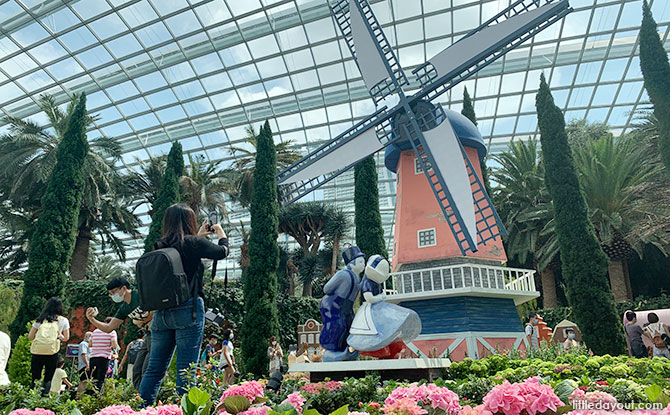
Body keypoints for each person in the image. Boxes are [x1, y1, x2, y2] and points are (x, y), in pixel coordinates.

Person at [139, 203, 229, 406]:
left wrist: (199, 236)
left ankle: (142, 409)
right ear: (190, 221)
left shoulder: (160, 245)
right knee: (186, 370)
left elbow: (182, 252)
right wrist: (220, 232)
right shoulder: (193, 243)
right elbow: (223, 251)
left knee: (154, 369)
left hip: (162, 315)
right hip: (188, 311)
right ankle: (186, 410)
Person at [85, 277, 153, 392]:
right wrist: (91, 319)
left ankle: (149, 397)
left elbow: (156, 309)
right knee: (137, 369)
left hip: (157, 333)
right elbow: (108, 328)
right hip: (148, 335)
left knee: (148, 368)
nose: (112, 296)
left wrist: (142, 321)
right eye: (110, 294)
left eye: (113, 292)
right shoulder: (124, 308)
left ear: (124, 288)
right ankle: (139, 395)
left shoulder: (140, 295)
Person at [347, 255, 421, 359]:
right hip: (369, 311)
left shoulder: (377, 284)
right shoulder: (367, 283)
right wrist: (381, 296)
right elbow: (369, 299)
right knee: (374, 330)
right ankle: (379, 348)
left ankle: (390, 348)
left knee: (387, 328)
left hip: (379, 309)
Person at [319, 246, 365, 362]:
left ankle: (343, 349)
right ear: (352, 264)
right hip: (333, 304)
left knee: (351, 326)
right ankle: (330, 351)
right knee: (337, 325)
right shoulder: (343, 274)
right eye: (360, 262)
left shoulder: (358, 278)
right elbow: (327, 288)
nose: (363, 264)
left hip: (347, 306)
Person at [28, 297, 70, 394]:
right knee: (48, 377)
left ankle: (31, 398)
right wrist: (59, 336)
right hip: (52, 351)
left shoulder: (40, 319)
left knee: (35, 378)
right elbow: (66, 338)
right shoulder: (63, 320)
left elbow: (30, 336)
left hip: (37, 351)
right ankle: (45, 398)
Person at [89, 318, 119, 391]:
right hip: (104, 357)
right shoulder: (112, 332)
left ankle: (90, 395)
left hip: (93, 357)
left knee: (92, 379)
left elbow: (90, 344)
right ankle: (98, 396)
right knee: (101, 379)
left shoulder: (95, 331)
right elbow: (115, 345)